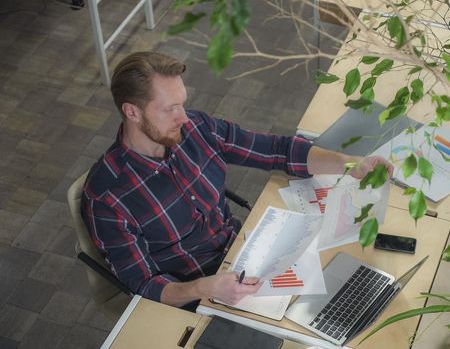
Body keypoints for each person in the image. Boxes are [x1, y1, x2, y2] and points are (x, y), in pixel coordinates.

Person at [81, 51, 392, 309]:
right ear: (132, 113)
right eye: (170, 108)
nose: (184, 117)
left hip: (245, 259)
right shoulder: (107, 196)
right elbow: (142, 284)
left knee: (341, 292)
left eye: (182, 103)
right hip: (195, 296)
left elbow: (276, 151)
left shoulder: (196, 129)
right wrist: (202, 288)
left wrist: (350, 164)